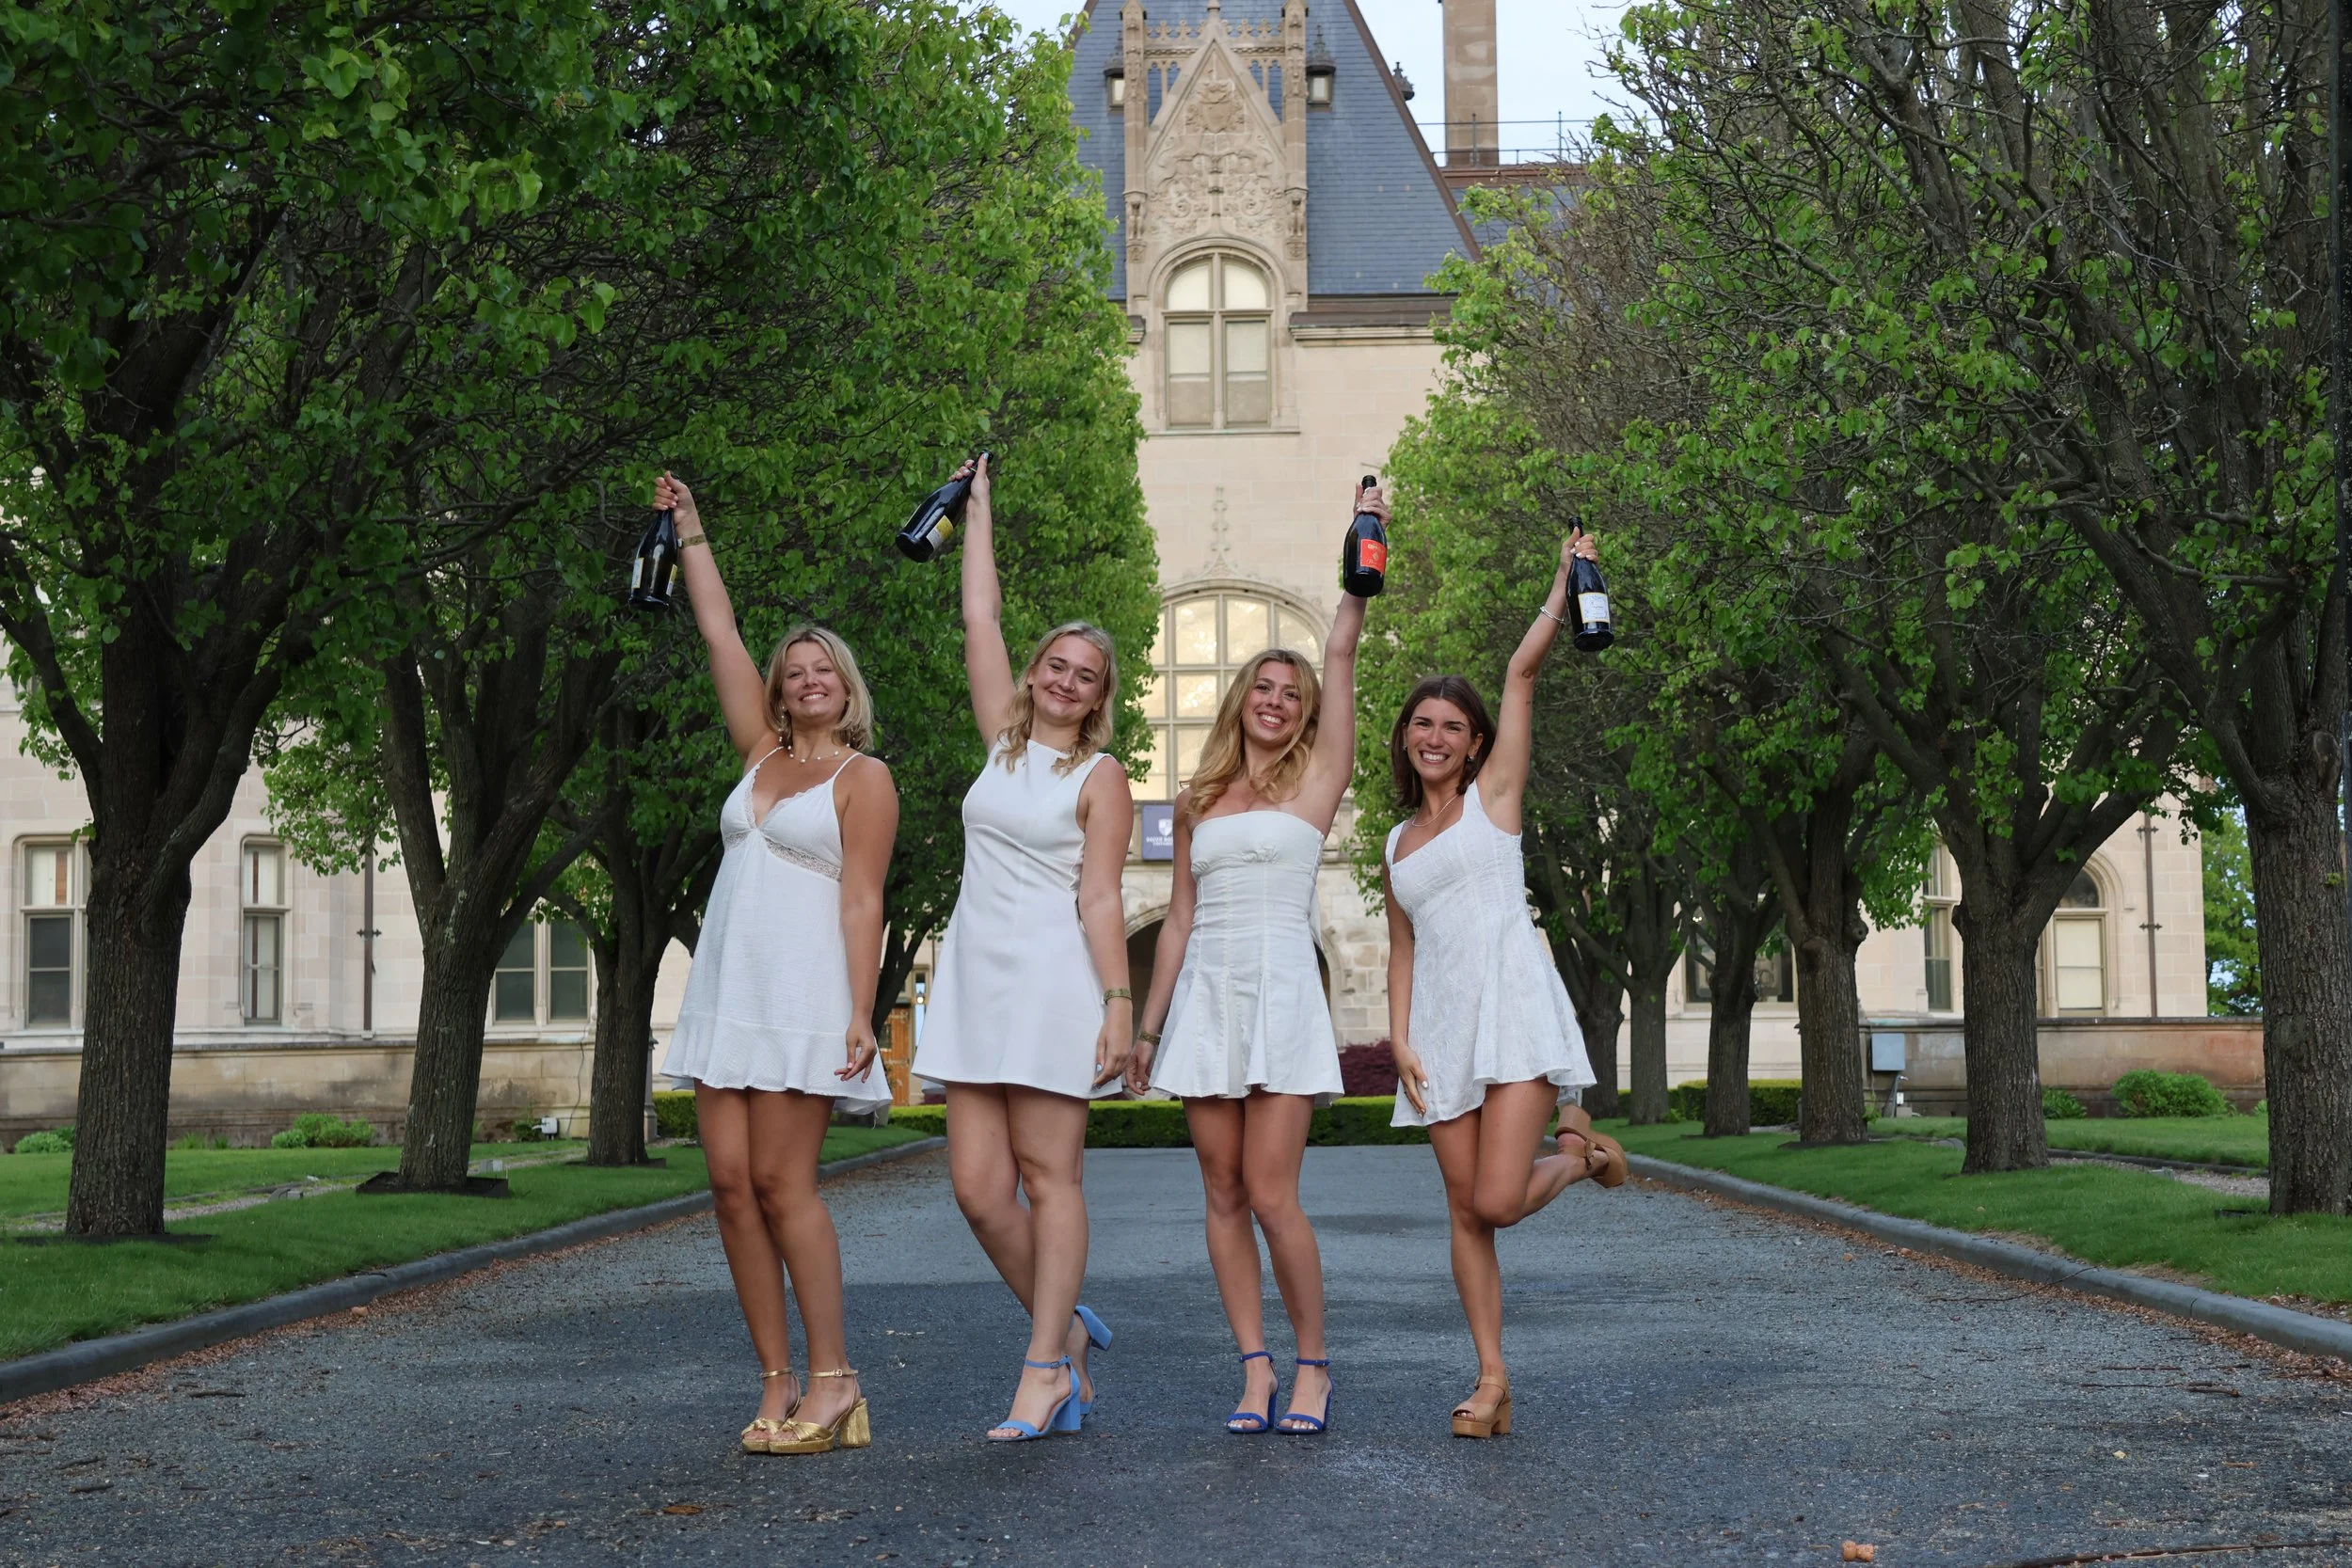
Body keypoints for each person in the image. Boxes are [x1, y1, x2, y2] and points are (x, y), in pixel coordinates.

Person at [654, 473, 900, 1457]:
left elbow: (862, 898)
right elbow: (718, 635)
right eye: (793, 668)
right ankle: (776, 1374)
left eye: (823, 669)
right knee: (726, 1183)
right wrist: (690, 532)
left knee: (783, 1181)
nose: (807, 679)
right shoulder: (756, 756)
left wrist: (859, 1010)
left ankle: (836, 1378)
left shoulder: (861, 777)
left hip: (805, 994)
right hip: (728, 988)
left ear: (846, 687)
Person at [1126, 480, 1378, 1437]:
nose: (1276, 702)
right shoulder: (1196, 801)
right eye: (1263, 688)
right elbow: (1179, 920)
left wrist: (1362, 546)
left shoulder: (1316, 783)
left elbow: (1343, 649)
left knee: (1273, 1191)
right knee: (1221, 1193)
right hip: (1206, 999)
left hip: (1279, 988)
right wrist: (1147, 1031)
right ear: (1241, 700)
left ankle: (1314, 1364)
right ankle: (1255, 1366)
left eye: (1293, 693)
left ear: (1305, 713)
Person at [1381, 529, 1630, 1440]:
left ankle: (1578, 1156)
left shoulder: (1497, 805)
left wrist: (1562, 583)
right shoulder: (1393, 843)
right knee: (1463, 1210)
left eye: (1452, 725)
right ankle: (1491, 1379)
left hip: (1513, 1008)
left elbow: (1522, 675)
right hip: (1439, 1033)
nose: (1436, 735)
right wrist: (1398, 1035)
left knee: (1493, 1198)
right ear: (1406, 740)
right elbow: (1400, 946)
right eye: (1423, 723)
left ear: (1476, 741)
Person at [911, 455, 1136, 1442]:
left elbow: (1098, 893)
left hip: (1050, 978)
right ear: (1038, 671)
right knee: (972, 1186)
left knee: (1050, 1180)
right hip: (971, 974)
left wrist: (1119, 1004)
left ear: (1096, 697)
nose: (1063, 680)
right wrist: (979, 506)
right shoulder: (1001, 742)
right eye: (1056, 664)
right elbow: (978, 619)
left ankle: (1044, 1368)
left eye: (1084, 676)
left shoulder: (1102, 773)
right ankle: (1065, 1327)